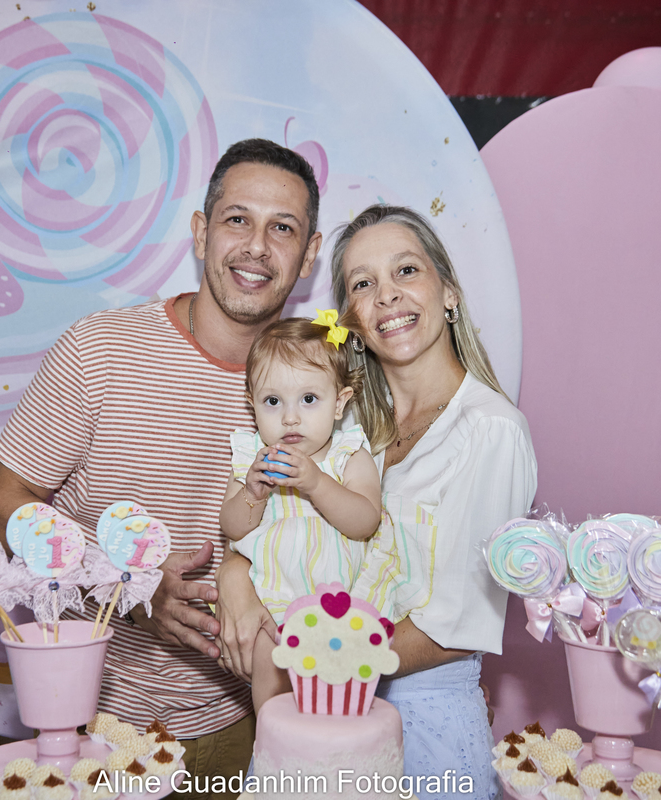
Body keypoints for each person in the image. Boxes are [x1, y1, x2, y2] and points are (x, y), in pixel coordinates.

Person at [0, 138, 322, 800]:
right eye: (237, 220)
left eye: (283, 228)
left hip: (242, 725)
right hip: (87, 725)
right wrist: (126, 583)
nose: (256, 246)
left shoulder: (317, 389)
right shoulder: (100, 350)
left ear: (309, 255)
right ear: (201, 232)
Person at [216, 204, 537, 800]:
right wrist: (235, 573)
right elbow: (284, 531)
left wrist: (310, 662)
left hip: (414, 724)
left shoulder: (489, 431)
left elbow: (454, 626)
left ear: (450, 293)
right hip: (309, 715)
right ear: (353, 323)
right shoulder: (342, 428)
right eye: (363, 284)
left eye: (406, 270)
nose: (387, 295)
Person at [219, 316, 383, 712]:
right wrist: (253, 494)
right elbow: (233, 528)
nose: (290, 418)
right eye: (273, 402)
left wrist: (316, 483)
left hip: (335, 604)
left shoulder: (348, 454)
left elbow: (365, 521)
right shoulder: (252, 457)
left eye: (308, 399)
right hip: (267, 599)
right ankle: (274, 739)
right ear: (252, 403)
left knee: (335, 700)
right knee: (272, 688)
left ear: (339, 402)